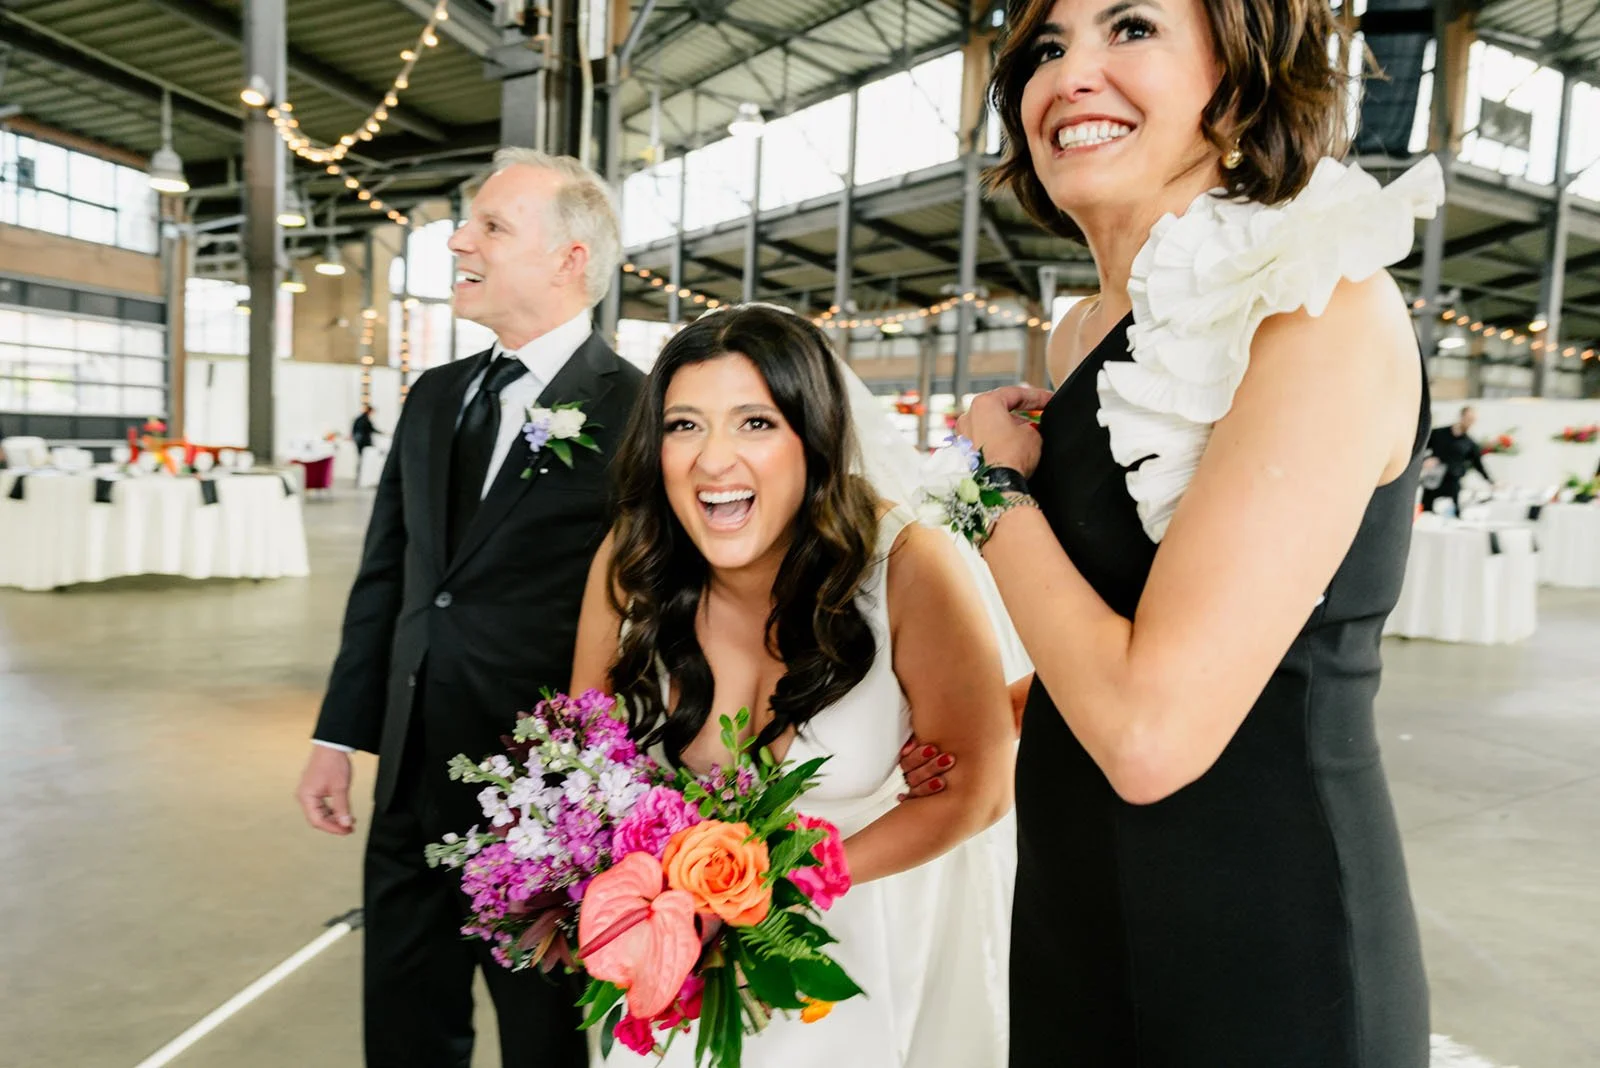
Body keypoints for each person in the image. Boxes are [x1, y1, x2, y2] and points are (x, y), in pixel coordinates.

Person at [936, 1, 1437, 1063]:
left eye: (1128, 27)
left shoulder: (1318, 304)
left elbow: (1148, 735)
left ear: (1242, 66)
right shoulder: (1081, 331)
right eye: (1045, 47)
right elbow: (1131, 619)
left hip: (1263, 952)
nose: (1071, 74)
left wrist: (989, 492)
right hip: (1079, 919)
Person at [569, 304, 1021, 1067]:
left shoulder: (905, 566)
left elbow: (976, 790)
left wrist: (775, 891)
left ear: (811, 438)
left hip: (854, 951)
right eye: (684, 425)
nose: (714, 461)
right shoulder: (632, 560)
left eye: (755, 423)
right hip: (675, 960)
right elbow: (585, 756)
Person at [294, 148, 644, 1068]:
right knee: (405, 1023)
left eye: (491, 226)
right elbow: (391, 579)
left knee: (545, 1040)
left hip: (545, 797)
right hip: (410, 775)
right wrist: (341, 734)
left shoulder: (641, 412)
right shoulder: (434, 396)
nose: (459, 240)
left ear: (571, 257)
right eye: (466, 224)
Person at [1424, 405, 1492, 514]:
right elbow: (1420, 449)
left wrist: (1491, 482)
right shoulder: (1438, 433)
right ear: (1461, 416)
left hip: (1453, 483)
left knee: (1453, 511)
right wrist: (1425, 460)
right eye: (1469, 419)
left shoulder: (1469, 443)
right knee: (1426, 511)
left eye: (1473, 421)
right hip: (1434, 480)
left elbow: (1478, 464)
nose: (1470, 423)